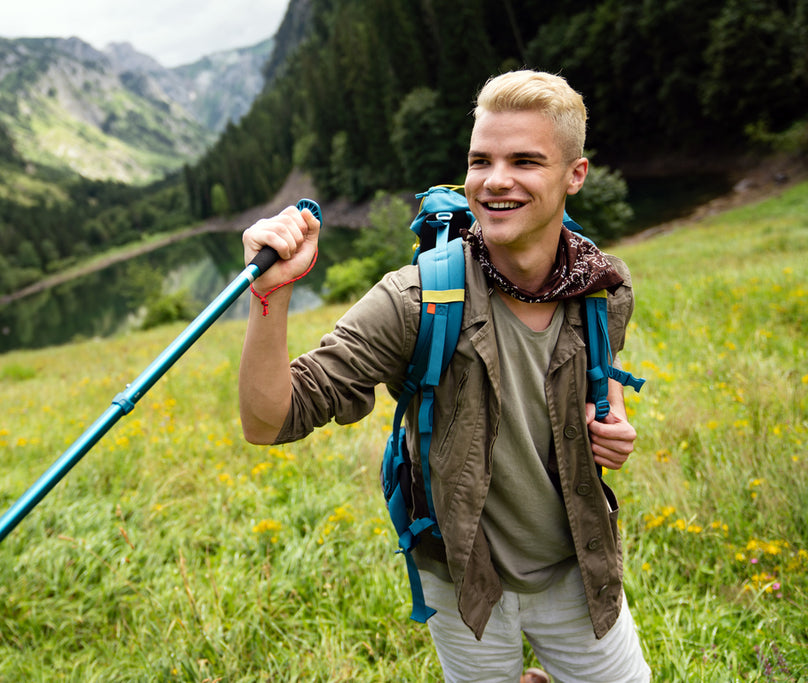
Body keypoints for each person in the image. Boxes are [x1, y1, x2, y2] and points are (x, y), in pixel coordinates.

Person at [238, 70, 651, 683]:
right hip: (463, 579)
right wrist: (269, 296)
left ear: (575, 174)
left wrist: (611, 417)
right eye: (480, 160)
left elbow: (599, 376)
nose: (495, 180)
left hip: (577, 566)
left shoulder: (604, 288)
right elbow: (268, 421)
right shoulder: (416, 298)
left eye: (525, 160)